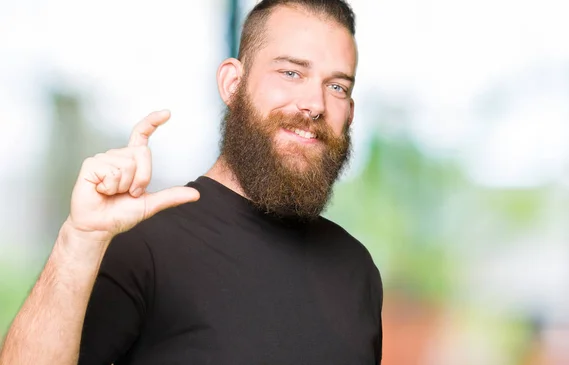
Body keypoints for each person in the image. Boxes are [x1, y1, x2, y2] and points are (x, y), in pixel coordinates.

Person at [0, 0, 383, 364]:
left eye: (337, 87)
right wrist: (78, 239)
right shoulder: (142, 241)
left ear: (349, 111)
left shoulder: (357, 271)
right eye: (291, 73)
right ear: (233, 83)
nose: (315, 104)